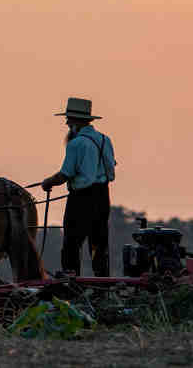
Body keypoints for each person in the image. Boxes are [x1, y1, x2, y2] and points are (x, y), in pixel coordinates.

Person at [41, 97, 116, 277]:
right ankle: (102, 286)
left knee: (71, 244)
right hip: (103, 196)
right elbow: (111, 165)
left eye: (69, 120)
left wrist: (47, 182)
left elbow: (65, 174)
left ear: (76, 122)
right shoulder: (106, 140)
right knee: (99, 244)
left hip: (81, 198)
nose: (67, 123)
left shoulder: (76, 144)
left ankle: (71, 283)